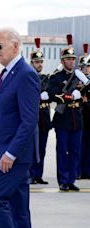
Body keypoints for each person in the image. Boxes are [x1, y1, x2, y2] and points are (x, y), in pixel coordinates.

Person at [0, 27, 40, 228]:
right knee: (19, 210)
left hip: (14, 156)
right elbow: (3, 115)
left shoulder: (25, 74)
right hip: (5, 150)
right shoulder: (7, 73)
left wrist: (11, 154)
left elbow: (28, 121)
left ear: (15, 45)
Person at [48, 34, 84, 191]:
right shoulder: (56, 77)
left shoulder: (79, 76)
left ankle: (71, 179)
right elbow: (51, 93)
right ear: (62, 61)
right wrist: (68, 96)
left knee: (75, 150)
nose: (71, 61)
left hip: (77, 117)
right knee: (63, 150)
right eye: (68, 59)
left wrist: (81, 95)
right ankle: (63, 180)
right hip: (63, 118)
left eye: (73, 59)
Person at [29, 38, 51, 185]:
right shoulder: (28, 77)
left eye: (41, 62)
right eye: (37, 62)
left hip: (43, 116)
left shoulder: (46, 78)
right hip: (32, 117)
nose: (40, 64)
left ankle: (38, 174)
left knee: (42, 148)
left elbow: (52, 92)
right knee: (31, 148)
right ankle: (30, 174)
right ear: (32, 63)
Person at [78, 43, 90, 180]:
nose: (86, 69)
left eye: (87, 66)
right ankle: (78, 171)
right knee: (79, 146)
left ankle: (87, 171)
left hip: (89, 118)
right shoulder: (76, 81)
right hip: (80, 117)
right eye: (84, 67)